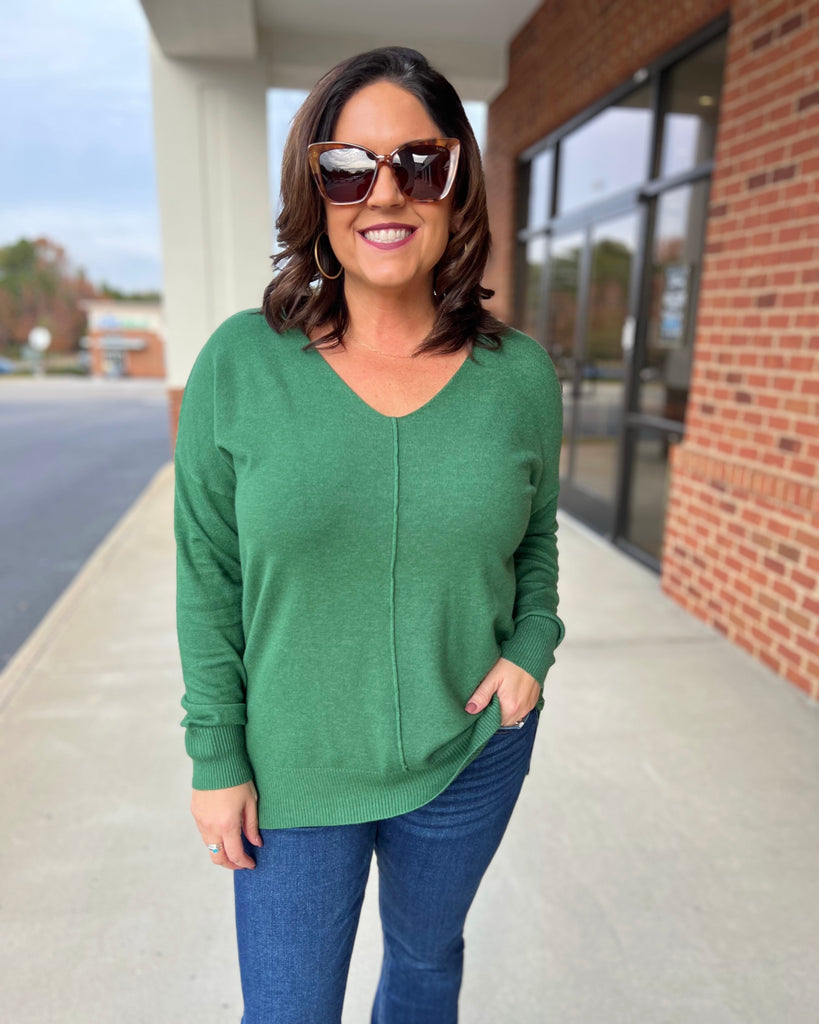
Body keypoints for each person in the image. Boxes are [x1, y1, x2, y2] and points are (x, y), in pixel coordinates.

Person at [174, 45, 564, 1024]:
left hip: (469, 749)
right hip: (294, 767)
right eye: (347, 167)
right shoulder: (240, 364)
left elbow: (536, 539)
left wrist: (530, 648)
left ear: (458, 181)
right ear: (315, 190)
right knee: (289, 1010)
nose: (385, 193)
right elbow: (207, 571)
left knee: (426, 966)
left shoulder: (519, 376)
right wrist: (216, 755)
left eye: (420, 164)